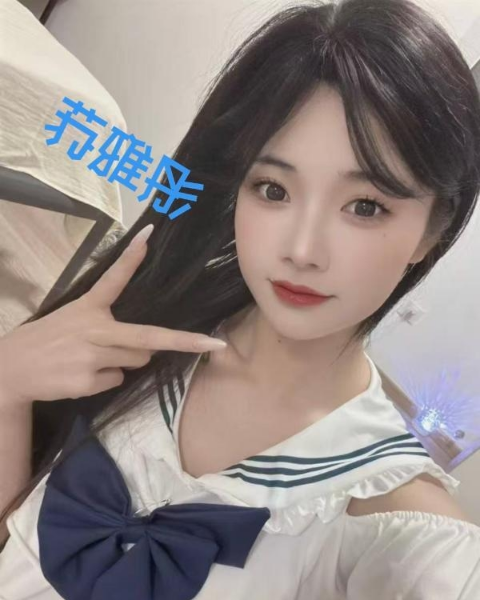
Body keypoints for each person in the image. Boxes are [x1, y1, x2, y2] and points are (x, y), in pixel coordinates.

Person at [1, 0, 480, 597]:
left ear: (433, 231)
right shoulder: (143, 321)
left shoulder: (394, 529)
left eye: (365, 206)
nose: (301, 250)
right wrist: (9, 386)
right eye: (272, 189)